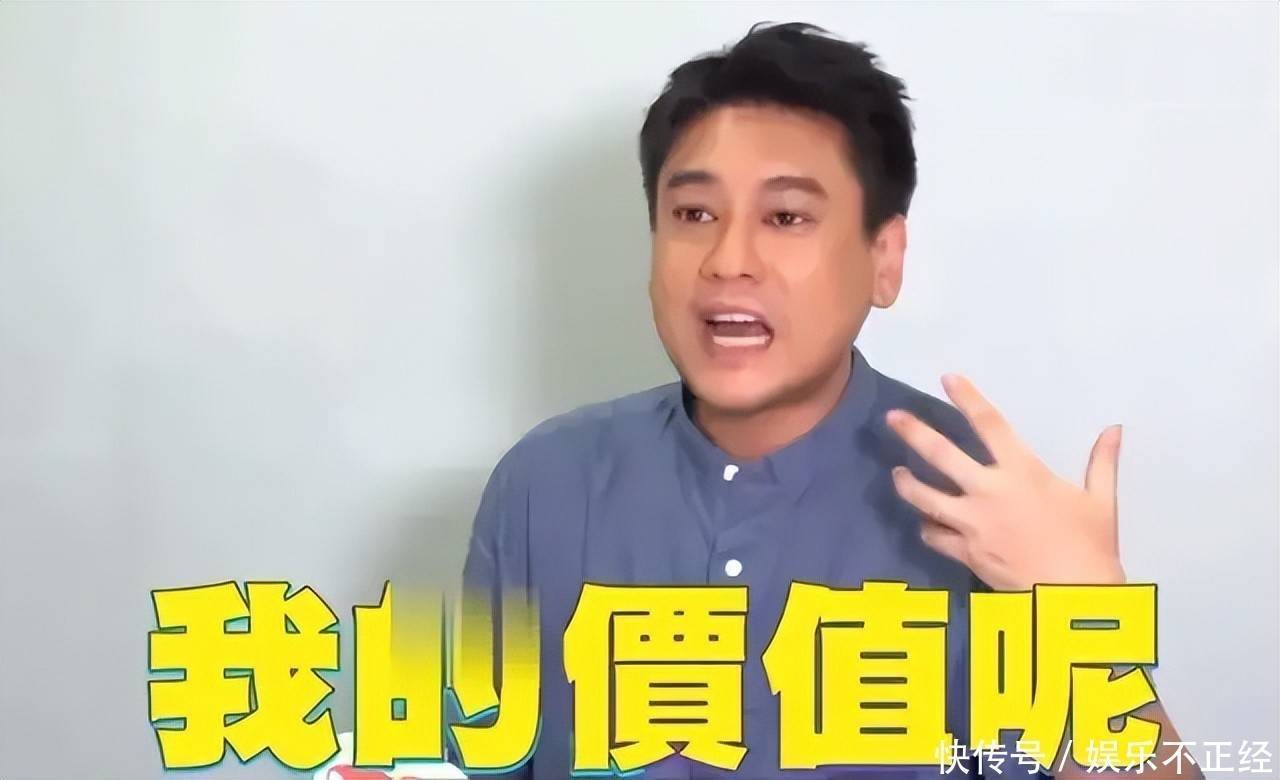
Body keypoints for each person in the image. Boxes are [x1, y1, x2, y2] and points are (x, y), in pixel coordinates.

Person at [461, 22, 1197, 779]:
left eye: (786, 217)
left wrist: (1084, 624)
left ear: (884, 258)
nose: (729, 261)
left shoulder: (982, 504)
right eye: (694, 215)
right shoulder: (543, 484)